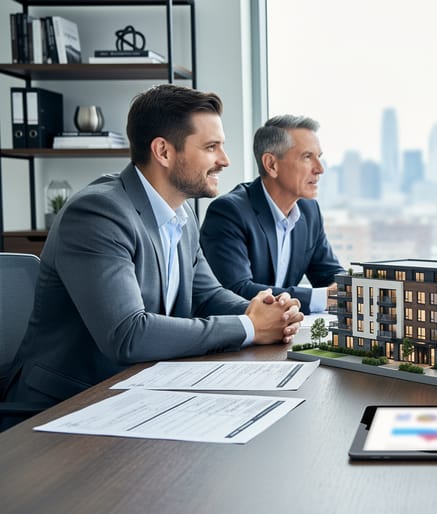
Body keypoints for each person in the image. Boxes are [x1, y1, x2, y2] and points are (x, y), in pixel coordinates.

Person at [1, 84, 303, 420]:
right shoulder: (98, 213)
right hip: (62, 407)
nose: (224, 160)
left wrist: (264, 311)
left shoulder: (181, 213)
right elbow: (128, 333)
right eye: (211, 147)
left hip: (135, 394)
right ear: (163, 151)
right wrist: (249, 327)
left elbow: (206, 295)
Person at [200, 115, 344, 315]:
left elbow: (329, 274)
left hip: (282, 334)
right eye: (307, 157)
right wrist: (325, 298)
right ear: (271, 165)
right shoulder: (228, 212)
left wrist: (352, 290)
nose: (320, 169)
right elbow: (236, 290)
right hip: (235, 339)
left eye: (319, 157)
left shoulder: (310, 211)